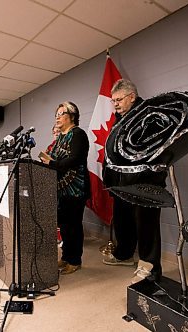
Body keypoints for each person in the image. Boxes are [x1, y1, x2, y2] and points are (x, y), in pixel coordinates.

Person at [102, 79, 167, 283]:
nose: (116, 104)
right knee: (123, 221)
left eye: (119, 100)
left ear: (132, 97)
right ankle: (124, 254)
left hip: (144, 182)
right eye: (113, 101)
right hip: (122, 183)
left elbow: (155, 150)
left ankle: (151, 268)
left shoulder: (148, 115)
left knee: (146, 225)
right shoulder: (119, 119)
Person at [40, 101, 90, 275]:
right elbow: (54, 158)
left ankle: (75, 260)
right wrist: (46, 160)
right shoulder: (60, 137)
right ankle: (67, 256)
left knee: (74, 226)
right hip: (61, 190)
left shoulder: (78, 134)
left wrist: (52, 163)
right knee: (65, 226)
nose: (57, 117)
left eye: (61, 114)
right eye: (56, 115)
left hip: (76, 189)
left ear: (72, 116)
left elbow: (74, 159)